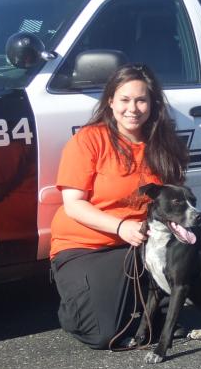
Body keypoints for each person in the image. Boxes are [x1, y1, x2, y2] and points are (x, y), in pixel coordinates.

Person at [50, 64, 189, 349]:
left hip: (140, 244)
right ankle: (78, 304)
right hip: (86, 246)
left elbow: (175, 202)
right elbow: (73, 205)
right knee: (104, 335)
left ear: (153, 104)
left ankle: (151, 305)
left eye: (141, 100)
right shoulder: (89, 139)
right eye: (124, 99)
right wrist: (121, 226)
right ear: (110, 101)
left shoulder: (164, 145)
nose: (133, 108)